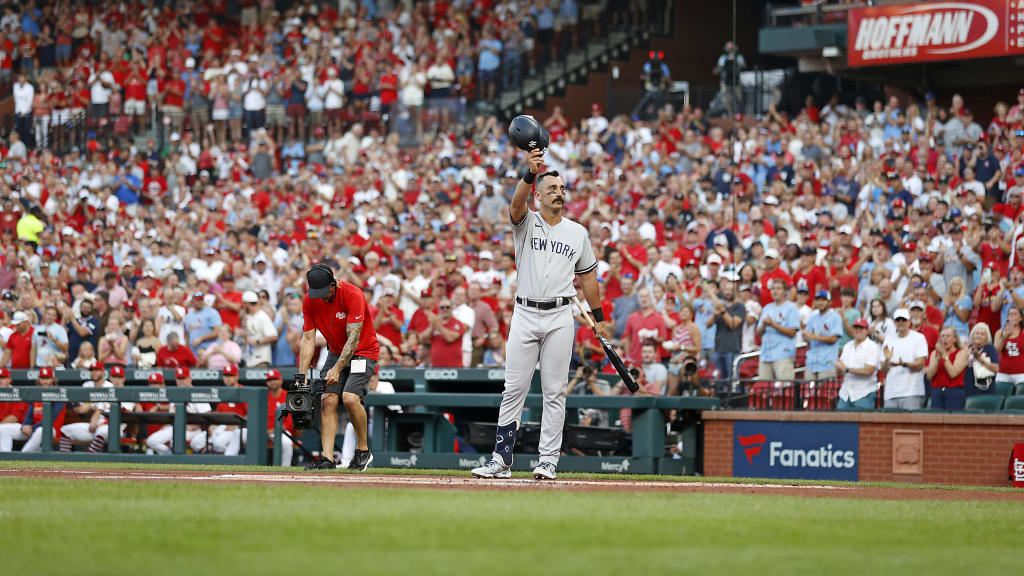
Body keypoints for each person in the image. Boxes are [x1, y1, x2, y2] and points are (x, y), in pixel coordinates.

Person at [472, 148, 606, 481]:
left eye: (562, 189)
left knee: (555, 390)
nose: (559, 194)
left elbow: (588, 276)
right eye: (553, 189)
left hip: (561, 315)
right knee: (513, 387)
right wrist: (529, 172)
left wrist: (599, 317)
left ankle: (547, 460)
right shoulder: (526, 222)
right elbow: (515, 206)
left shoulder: (577, 233)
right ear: (539, 195)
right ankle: (502, 459)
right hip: (525, 312)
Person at [297, 264, 380, 471]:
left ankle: (363, 452)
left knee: (350, 398)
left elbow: (353, 338)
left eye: (326, 293)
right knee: (327, 400)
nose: (322, 298)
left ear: (334, 284)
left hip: (364, 351)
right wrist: (301, 374)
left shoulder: (353, 294)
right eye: (318, 294)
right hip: (335, 351)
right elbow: (308, 339)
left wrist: (336, 369)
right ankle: (327, 458)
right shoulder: (309, 300)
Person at [145, 367, 212, 455]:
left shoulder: (197, 393)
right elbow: (172, 413)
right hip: (175, 427)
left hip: (193, 431)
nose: (181, 381)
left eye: (183, 378)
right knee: (151, 441)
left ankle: (177, 461)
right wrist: (168, 424)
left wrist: (197, 425)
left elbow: (208, 414)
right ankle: (170, 458)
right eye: (179, 378)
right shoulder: (175, 393)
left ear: (189, 379)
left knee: (175, 441)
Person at [880, 308, 929, 410]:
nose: (901, 323)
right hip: (891, 393)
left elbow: (920, 365)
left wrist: (903, 364)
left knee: (911, 426)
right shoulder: (888, 339)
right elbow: (883, 370)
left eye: (903, 320)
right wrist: (887, 360)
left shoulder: (919, 338)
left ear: (909, 321)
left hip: (912, 392)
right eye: (898, 320)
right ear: (894, 322)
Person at [756, 279, 799, 381]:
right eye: (773, 289)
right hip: (766, 355)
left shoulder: (791, 308)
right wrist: (764, 325)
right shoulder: (767, 308)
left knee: (783, 392)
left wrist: (773, 324)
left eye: (779, 289)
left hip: (783, 355)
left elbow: (792, 332)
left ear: (785, 291)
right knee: (763, 391)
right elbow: (758, 332)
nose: (775, 291)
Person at [835, 318, 880, 410]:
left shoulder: (872, 347)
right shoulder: (847, 346)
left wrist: (847, 369)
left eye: (861, 328)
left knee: (864, 423)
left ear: (867, 331)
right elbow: (839, 372)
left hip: (864, 393)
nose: (857, 330)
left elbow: (869, 371)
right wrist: (838, 367)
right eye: (856, 328)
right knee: (839, 423)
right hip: (845, 393)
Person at [19, 367, 66, 452]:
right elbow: (29, 413)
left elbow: (51, 418)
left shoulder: (59, 394)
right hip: (34, 429)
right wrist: (25, 424)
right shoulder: (36, 393)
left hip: (52, 430)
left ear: (53, 379)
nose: (45, 382)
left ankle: (22, 456)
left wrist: (32, 428)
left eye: (48, 378)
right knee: (4, 429)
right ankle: (3, 458)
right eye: (43, 378)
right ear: (39, 380)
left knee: (40, 431)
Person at [925, 326, 969, 410]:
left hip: (954, 392)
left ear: (955, 339)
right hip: (937, 391)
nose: (945, 339)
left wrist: (944, 356)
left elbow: (953, 373)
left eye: (948, 336)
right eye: (943, 336)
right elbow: (929, 376)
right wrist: (938, 359)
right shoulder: (935, 353)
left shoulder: (961, 353)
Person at [803, 290, 844, 380]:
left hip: (827, 363)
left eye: (823, 300)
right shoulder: (813, 317)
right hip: (811, 362)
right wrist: (805, 336)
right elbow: (807, 337)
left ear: (829, 302)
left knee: (826, 393)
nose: (820, 302)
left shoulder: (835, 316)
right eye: (818, 300)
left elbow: (833, 339)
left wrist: (814, 337)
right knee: (807, 393)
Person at [241, 290, 277, 367]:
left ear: (247, 303)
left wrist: (257, 341)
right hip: (249, 359)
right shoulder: (249, 317)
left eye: (244, 303)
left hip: (261, 359)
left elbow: (274, 336)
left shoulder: (262, 316)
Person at [965, 323, 999, 396]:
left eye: (982, 334)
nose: (979, 336)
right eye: (977, 333)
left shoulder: (990, 348)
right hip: (968, 387)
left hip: (986, 388)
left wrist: (980, 359)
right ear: (972, 335)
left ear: (987, 337)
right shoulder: (967, 349)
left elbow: (996, 368)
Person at [994, 306, 1024, 391]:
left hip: (1021, 372)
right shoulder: (1000, 332)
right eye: (1010, 314)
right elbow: (995, 352)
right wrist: (1004, 337)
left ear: (1021, 318)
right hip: (1003, 372)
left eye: (1015, 314)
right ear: (1007, 318)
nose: (1012, 316)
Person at [0, 368, 30, 451]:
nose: (0, 381)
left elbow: (14, 418)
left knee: (3, 429)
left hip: (20, 427)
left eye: (3, 378)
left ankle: (5, 456)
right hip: (3, 425)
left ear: (9, 379)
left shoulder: (16, 392)